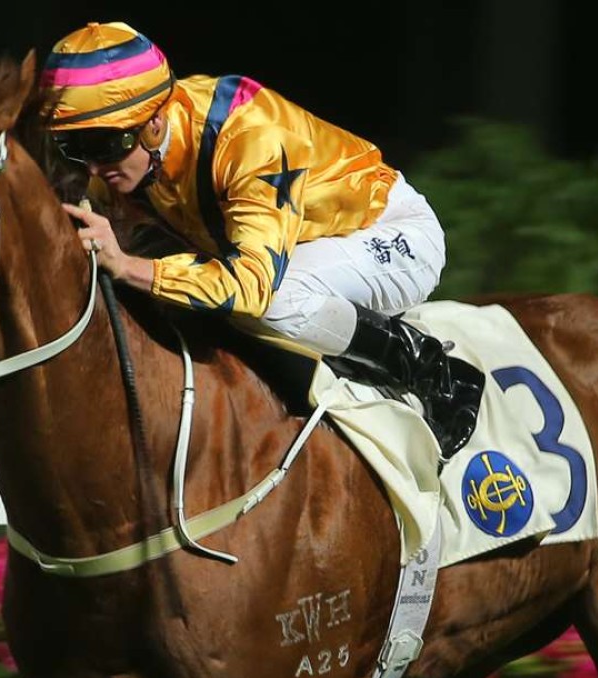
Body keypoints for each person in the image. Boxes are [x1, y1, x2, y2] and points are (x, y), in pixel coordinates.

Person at [42, 21, 483, 458]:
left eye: (105, 145)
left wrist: (128, 266)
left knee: (272, 301)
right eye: (75, 148)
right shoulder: (133, 154)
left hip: (393, 235)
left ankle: (434, 371)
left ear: (155, 122)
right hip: (304, 250)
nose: (95, 168)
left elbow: (251, 289)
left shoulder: (251, 140)